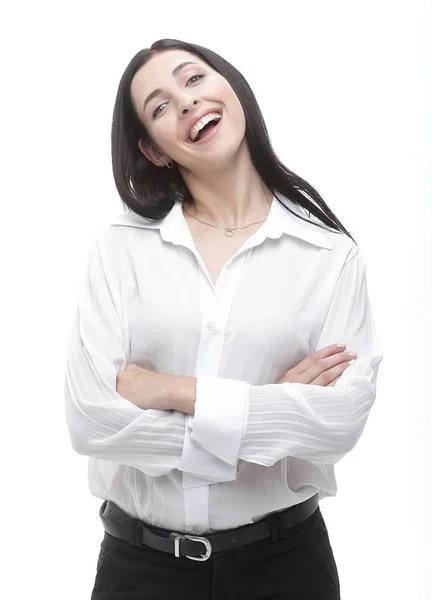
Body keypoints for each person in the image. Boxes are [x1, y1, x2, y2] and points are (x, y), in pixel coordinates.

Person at [64, 38, 384, 600]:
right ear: (154, 149)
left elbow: (336, 425)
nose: (186, 103)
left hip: (285, 568)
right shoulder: (119, 249)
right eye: (160, 106)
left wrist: (170, 390)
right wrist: (270, 408)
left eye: (193, 80)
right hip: (139, 570)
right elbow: (94, 423)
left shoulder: (329, 257)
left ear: (230, 88)